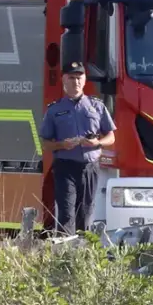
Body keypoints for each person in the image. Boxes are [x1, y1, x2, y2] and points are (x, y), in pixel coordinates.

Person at [39, 61, 116, 234]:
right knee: (66, 213)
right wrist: (62, 144)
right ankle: (65, 248)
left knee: (85, 213)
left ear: (85, 80)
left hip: (90, 168)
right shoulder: (54, 109)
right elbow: (45, 143)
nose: (76, 82)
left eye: (79, 77)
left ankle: (83, 248)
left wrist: (97, 143)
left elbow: (111, 137)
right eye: (71, 78)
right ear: (63, 80)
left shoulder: (97, 106)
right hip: (65, 167)